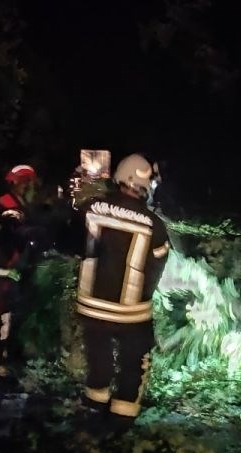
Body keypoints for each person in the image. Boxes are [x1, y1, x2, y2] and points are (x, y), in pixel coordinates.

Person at [75, 153, 170, 437]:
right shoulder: (154, 225)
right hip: (131, 312)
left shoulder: (90, 208)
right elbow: (157, 266)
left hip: (90, 305)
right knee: (134, 362)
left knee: (98, 356)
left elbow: (74, 242)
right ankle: (121, 420)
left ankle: (94, 409)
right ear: (145, 184)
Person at [0, 164, 40, 378]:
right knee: (5, 315)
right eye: (32, 184)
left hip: (1, 268)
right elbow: (13, 233)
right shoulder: (10, 207)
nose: (35, 189)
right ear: (24, 185)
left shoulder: (13, 204)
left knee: (10, 312)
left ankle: (2, 358)